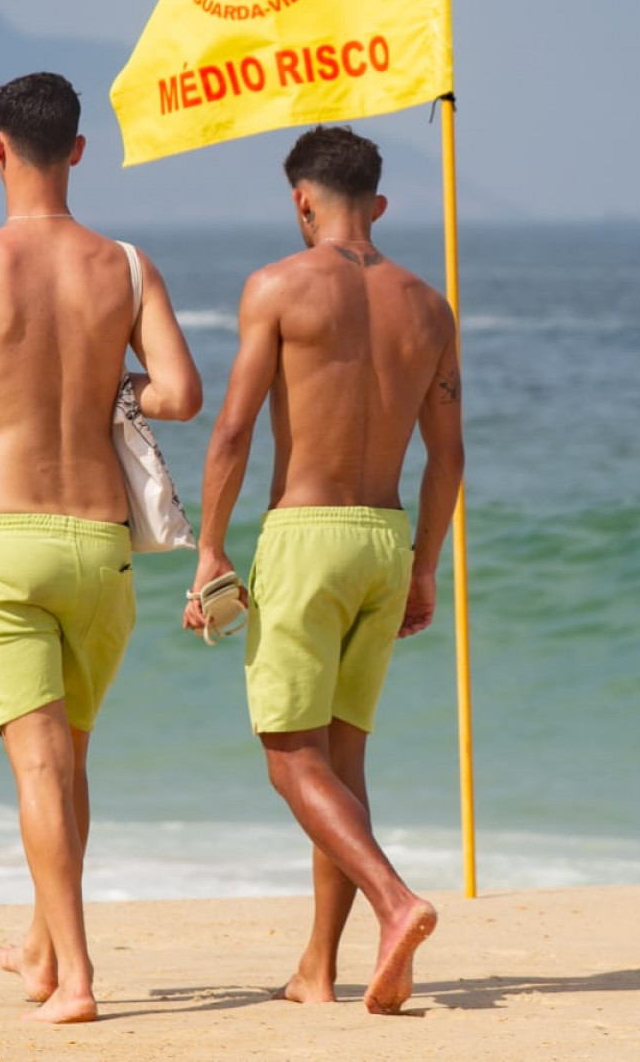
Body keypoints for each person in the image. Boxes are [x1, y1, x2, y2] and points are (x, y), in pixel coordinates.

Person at [0, 72, 202, 1023]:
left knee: (41, 768)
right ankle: (39, 948)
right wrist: (115, 387)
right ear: (80, 151)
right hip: (100, 545)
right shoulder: (127, 267)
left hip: (4, 541)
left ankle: (78, 978)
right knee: (68, 759)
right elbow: (182, 395)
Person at [182, 124, 463, 1014]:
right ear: (377, 204)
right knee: (341, 761)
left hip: (306, 535)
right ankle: (318, 968)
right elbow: (449, 456)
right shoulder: (430, 306)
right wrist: (425, 565)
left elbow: (233, 428)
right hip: (385, 537)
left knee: (288, 756)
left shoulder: (277, 285)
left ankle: (395, 900)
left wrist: (210, 548)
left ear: (301, 200)